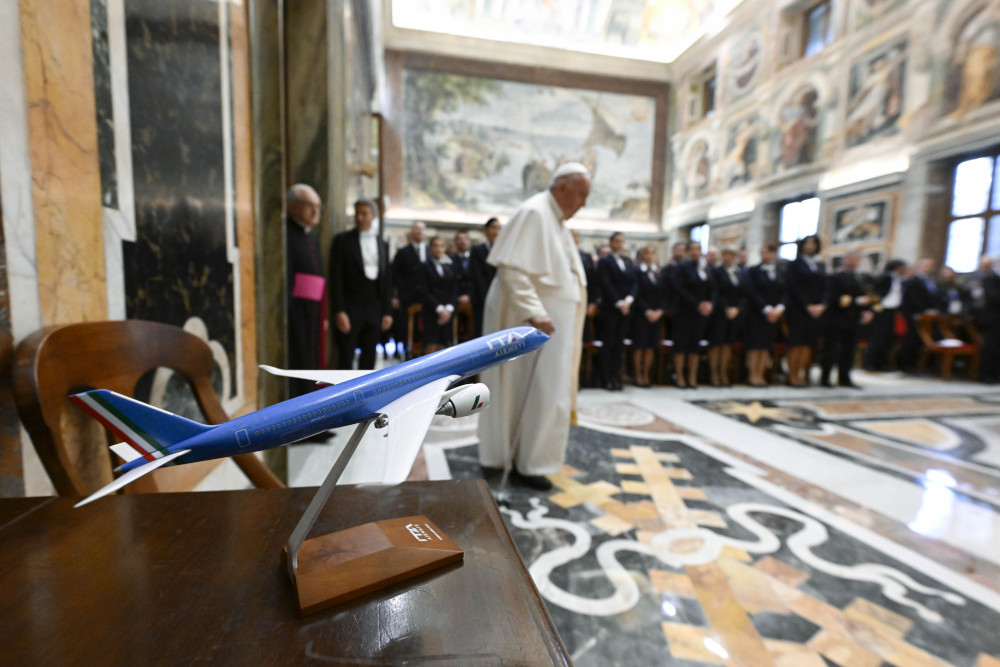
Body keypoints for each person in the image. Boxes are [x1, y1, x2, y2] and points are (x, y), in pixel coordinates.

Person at [477, 163, 591, 491]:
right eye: (581, 194)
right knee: (521, 392)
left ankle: (531, 458)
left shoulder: (553, 218)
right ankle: (510, 460)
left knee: (546, 393)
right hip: (528, 325)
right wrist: (535, 313)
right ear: (562, 187)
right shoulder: (535, 212)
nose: (583, 202)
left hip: (546, 328)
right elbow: (513, 271)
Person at [328, 199, 393, 370]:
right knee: (346, 357)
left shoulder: (382, 244)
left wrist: (387, 311)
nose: (360, 217)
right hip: (350, 309)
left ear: (373, 216)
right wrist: (339, 310)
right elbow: (336, 278)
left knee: (369, 357)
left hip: (375, 309)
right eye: (357, 213)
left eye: (364, 213)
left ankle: (366, 396)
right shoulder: (342, 241)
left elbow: (386, 280)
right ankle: (343, 396)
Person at [285, 184, 326, 397]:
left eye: (318, 207)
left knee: (313, 360)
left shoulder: (311, 236)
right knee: (300, 360)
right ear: (292, 206)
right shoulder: (285, 234)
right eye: (310, 206)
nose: (315, 212)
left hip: (314, 309)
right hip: (297, 310)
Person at [820, 252, 873, 388]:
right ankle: (825, 378)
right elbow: (834, 298)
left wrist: (867, 311)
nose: (853, 262)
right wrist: (857, 301)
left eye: (856, 260)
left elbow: (865, 295)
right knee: (832, 349)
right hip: (836, 318)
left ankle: (845, 378)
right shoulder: (836, 276)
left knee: (849, 350)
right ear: (844, 260)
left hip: (854, 319)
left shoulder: (860, 277)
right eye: (850, 259)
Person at [671, 241, 716, 389]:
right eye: (692, 249)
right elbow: (680, 289)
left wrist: (710, 303)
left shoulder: (706, 268)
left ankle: (692, 377)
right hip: (684, 311)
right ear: (688, 251)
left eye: (698, 249)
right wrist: (697, 304)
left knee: (694, 345)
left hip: (700, 313)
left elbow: (713, 288)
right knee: (681, 344)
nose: (695, 252)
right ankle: (680, 377)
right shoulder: (682, 267)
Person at [784, 235, 827, 387]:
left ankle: (802, 374)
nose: (810, 246)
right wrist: (807, 305)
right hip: (799, 309)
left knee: (809, 343)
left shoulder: (820, 265)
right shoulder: (795, 264)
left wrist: (822, 304)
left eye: (813, 243)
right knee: (796, 342)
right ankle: (792, 374)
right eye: (807, 243)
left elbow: (825, 288)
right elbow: (794, 287)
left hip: (817, 310)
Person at [597, 231, 637, 390]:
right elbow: (606, 283)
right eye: (617, 241)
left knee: (619, 344)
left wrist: (629, 300)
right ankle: (606, 378)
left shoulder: (628, 261)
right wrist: (618, 302)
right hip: (611, 307)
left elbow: (634, 283)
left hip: (626, 309)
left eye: (622, 242)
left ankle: (616, 377)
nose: (620, 245)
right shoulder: (605, 261)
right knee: (609, 343)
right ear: (611, 243)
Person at [743, 243, 785, 387]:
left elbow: (785, 292)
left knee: (766, 346)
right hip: (757, 314)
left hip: (775, 315)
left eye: (769, 252)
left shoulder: (780, 271)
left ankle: (761, 374)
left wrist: (779, 308)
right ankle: (752, 375)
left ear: (775, 254)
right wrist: (767, 309)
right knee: (755, 345)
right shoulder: (753, 271)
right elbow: (751, 292)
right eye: (764, 252)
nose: (766, 255)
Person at [708, 247, 744, 387]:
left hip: (735, 313)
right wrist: (727, 308)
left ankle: (723, 373)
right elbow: (715, 292)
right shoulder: (716, 272)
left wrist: (737, 308)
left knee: (728, 344)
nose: (728, 258)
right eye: (725, 255)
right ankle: (714, 374)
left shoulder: (739, 272)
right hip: (719, 313)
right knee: (717, 343)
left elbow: (743, 293)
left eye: (731, 255)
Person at [391, 221, 428, 357]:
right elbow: (393, 275)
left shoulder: (430, 250)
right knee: (406, 330)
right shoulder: (403, 252)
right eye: (416, 230)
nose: (419, 232)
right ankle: (407, 356)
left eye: (421, 230)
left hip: (427, 300)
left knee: (424, 331)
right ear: (412, 232)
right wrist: (396, 296)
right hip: (407, 298)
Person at [864, 259, 907, 372]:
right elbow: (877, 293)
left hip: (892, 311)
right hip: (882, 310)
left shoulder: (898, 279)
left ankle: (882, 364)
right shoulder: (886, 277)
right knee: (878, 338)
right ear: (897, 267)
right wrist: (875, 307)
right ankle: (870, 364)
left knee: (888, 339)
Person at [632, 245, 665, 388]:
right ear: (641, 256)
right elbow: (636, 293)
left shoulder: (660, 273)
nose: (650, 256)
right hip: (641, 315)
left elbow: (665, 294)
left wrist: (659, 310)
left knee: (651, 345)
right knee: (640, 345)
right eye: (646, 253)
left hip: (657, 315)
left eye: (652, 253)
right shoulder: (637, 272)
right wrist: (647, 311)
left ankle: (646, 374)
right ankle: (637, 375)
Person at [898, 257, 938, 371]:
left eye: (930, 266)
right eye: (926, 265)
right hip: (913, 314)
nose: (928, 268)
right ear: (919, 267)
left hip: (925, 316)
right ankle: (905, 365)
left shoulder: (931, 281)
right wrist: (922, 310)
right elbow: (912, 298)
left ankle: (918, 365)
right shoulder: (913, 280)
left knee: (920, 340)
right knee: (910, 339)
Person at [420, 235, 458, 353]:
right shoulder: (424, 266)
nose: (438, 249)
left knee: (445, 347)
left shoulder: (451, 266)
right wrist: (439, 309)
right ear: (431, 248)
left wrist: (449, 308)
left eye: (441, 246)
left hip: (448, 312)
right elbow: (425, 291)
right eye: (435, 246)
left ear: (445, 248)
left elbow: (455, 289)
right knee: (431, 346)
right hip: (431, 311)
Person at [469, 217, 500, 337]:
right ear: (486, 230)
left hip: (498, 299)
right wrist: (487, 298)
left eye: (498, 228)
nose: (496, 231)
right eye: (493, 228)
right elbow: (476, 276)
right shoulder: (477, 249)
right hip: (481, 299)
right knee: (481, 333)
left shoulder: (502, 250)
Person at [450, 230, 475, 340]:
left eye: (465, 239)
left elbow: (477, 280)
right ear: (455, 242)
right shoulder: (450, 260)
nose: (462, 242)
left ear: (469, 241)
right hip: (455, 299)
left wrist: (469, 295)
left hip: (472, 298)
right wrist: (457, 297)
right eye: (459, 239)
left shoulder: (475, 259)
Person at [979, 258, 1000, 383]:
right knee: (990, 347)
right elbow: (993, 297)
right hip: (992, 319)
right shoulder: (990, 279)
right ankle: (986, 375)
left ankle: (996, 374)